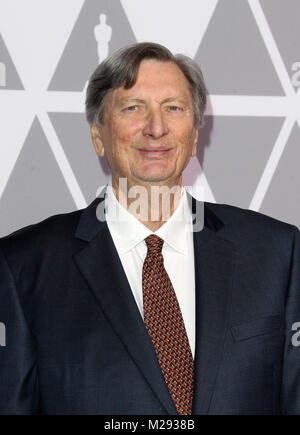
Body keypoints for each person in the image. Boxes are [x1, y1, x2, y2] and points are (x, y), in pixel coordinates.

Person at [0, 42, 299, 415]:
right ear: (98, 135)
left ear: (193, 137)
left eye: (173, 108)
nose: (156, 128)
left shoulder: (277, 253)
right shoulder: (22, 267)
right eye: (133, 108)